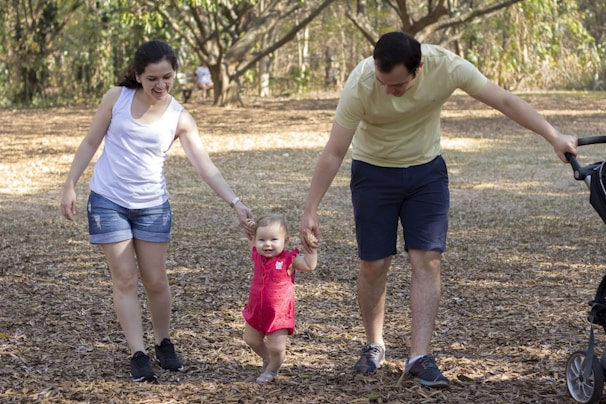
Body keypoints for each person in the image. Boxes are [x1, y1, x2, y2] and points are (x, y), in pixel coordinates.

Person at [298, 31, 577, 388]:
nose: (389, 92)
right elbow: (335, 150)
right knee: (374, 263)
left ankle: (418, 357)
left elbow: (504, 101)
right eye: (384, 83)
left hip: (426, 171)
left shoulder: (447, 66)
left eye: (398, 85)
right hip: (373, 171)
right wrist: (311, 208)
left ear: (420, 68)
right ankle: (374, 344)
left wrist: (553, 135)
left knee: (427, 259)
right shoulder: (362, 81)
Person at [60, 40, 254, 383]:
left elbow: (204, 165)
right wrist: (70, 183)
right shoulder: (115, 98)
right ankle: (138, 353)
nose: (160, 85)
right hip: (108, 200)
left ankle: (163, 342)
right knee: (124, 278)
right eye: (152, 78)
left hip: (152, 206)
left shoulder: (179, 116)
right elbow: (91, 141)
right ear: (138, 75)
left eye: (167, 77)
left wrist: (235, 202)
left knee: (155, 280)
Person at [242, 214, 318, 384]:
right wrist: (250, 227)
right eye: (262, 240)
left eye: (274, 239)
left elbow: (309, 265)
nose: (267, 244)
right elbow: (251, 237)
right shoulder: (257, 255)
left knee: (277, 347)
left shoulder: (288, 259)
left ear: (286, 240)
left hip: (279, 313)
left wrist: (310, 248)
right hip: (256, 310)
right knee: (251, 339)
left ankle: (272, 369)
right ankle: (271, 360)